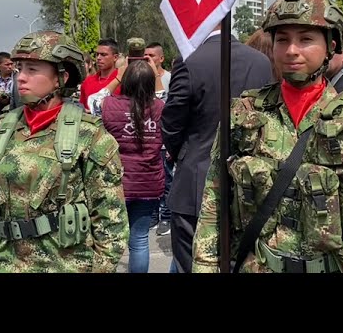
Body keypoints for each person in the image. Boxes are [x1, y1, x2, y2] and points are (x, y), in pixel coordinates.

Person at [191, 0, 343, 273]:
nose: (291, 50)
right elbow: (213, 205)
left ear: (331, 46)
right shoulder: (242, 115)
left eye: (306, 39)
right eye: (282, 40)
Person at [0, 30, 129, 272]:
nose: (21, 78)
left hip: (65, 264)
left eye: (32, 70)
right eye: (20, 69)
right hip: (6, 262)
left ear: (61, 78)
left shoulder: (88, 134)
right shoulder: (3, 129)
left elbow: (111, 221)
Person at [161, 22, 272, 273]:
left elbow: (171, 124)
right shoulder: (261, 62)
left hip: (195, 185)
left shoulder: (190, 62)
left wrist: (185, 155)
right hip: (250, 185)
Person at [101, 60, 165, 272]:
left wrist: (117, 76)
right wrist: (155, 74)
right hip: (148, 182)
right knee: (139, 239)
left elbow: (94, 100)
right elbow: (162, 95)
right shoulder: (160, 108)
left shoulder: (110, 105)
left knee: (108, 240)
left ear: (125, 81)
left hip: (117, 183)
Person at [145, 42, 173, 235]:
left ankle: (168, 217)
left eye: (152, 56)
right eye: (144, 56)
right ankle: (154, 215)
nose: (148, 59)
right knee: (151, 181)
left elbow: (172, 110)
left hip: (165, 140)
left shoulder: (170, 78)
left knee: (168, 181)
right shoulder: (141, 78)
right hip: (147, 139)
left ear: (161, 58)